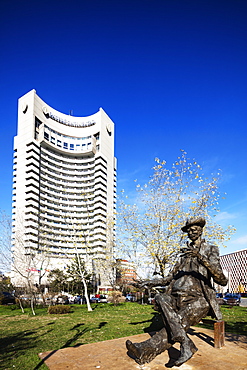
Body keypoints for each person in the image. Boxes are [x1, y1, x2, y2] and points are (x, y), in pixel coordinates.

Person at [126, 217, 228, 367]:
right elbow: (170, 277)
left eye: (195, 229)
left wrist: (200, 257)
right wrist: (149, 282)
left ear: (201, 230)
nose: (191, 232)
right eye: (189, 230)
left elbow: (222, 279)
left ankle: (144, 350)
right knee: (161, 298)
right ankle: (186, 342)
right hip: (176, 298)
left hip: (199, 300)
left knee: (177, 320)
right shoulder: (183, 255)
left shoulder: (211, 249)